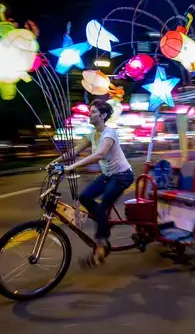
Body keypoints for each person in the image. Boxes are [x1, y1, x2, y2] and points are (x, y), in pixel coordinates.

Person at [52, 100, 134, 266]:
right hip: (107, 175)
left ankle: (101, 243)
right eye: (90, 111)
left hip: (122, 176)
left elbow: (99, 155)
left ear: (103, 116)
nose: (89, 114)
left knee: (103, 205)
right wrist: (54, 162)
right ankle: (103, 223)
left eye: (94, 111)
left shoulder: (109, 133)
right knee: (85, 197)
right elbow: (74, 151)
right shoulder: (92, 134)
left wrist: (71, 167)